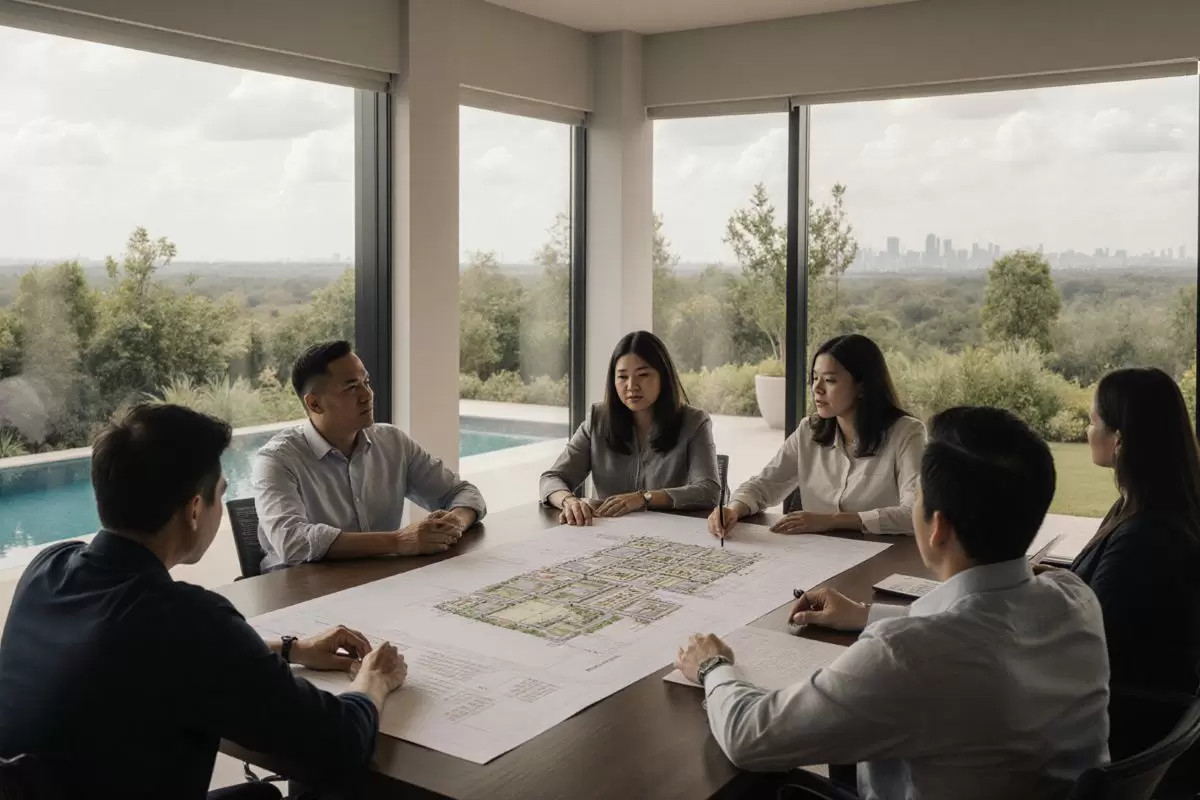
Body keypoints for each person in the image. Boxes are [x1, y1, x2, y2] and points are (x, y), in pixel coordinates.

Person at [676, 407, 1109, 799]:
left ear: (937, 528)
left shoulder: (909, 654)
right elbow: (978, 630)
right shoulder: (1074, 598)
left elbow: (750, 738)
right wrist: (866, 615)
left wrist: (713, 665)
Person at [0, 404, 409, 799]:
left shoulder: (47, 569)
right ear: (195, 510)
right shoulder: (187, 619)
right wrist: (373, 679)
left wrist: (291, 649)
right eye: (220, 493)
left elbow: (143, 656)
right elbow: (338, 742)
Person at [253, 340, 487, 569]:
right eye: (351, 387)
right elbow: (292, 542)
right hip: (299, 591)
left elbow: (463, 493)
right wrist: (398, 540)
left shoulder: (392, 442)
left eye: (366, 382)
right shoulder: (276, 460)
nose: (367, 395)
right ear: (314, 404)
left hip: (378, 581)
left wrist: (456, 521)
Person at [1072, 367, 1200, 758]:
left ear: (1120, 440)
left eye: (1094, 421)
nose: (1087, 431)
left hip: (1119, 717)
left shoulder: (1146, 533)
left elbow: (1091, 641)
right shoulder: (1151, 502)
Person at [709, 334, 924, 539]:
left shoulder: (906, 433)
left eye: (830, 380)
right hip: (816, 554)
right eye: (814, 378)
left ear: (862, 387)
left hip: (885, 557)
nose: (817, 389)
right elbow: (765, 484)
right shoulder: (809, 430)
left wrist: (833, 520)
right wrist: (732, 509)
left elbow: (917, 514)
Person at [540, 331, 720, 526]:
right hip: (608, 533)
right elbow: (552, 478)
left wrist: (644, 498)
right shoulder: (598, 419)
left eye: (643, 375)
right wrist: (569, 501)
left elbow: (708, 491)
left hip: (670, 533)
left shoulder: (694, 421)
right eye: (622, 377)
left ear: (664, 377)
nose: (631, 386)